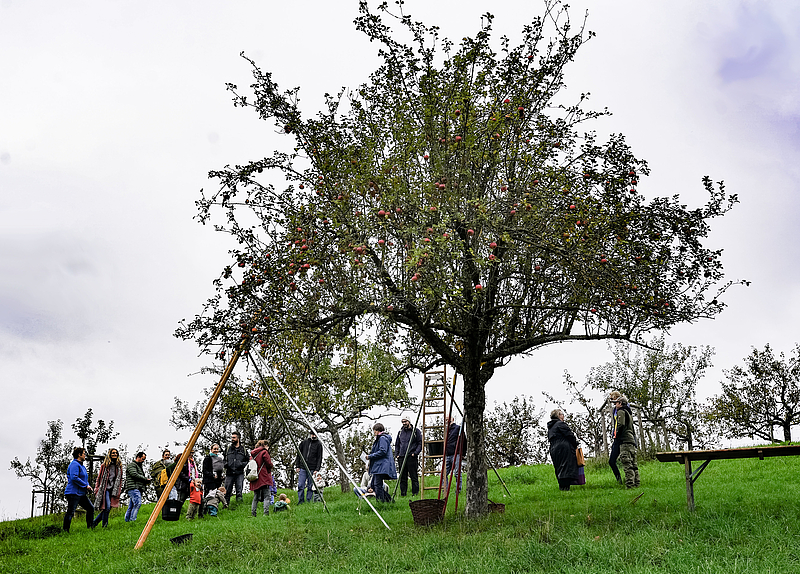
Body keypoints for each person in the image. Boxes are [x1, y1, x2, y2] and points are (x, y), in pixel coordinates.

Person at [63, 447, 95, 532]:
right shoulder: (74, 464)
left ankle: (90, 528)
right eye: (84, 454)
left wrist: (88, 485)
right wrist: (85, 485)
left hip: (81, 493)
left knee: (90, 508)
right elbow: (74, 477)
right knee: (71, 511)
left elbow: (85, 479)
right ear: (79, 455)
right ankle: (65, 530)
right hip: (73, 492)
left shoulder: (82, 466)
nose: (85, 455)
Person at [547, 409, 579, 491]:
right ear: (558, 416)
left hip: (553, 448)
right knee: (566, 466)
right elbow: (569, 435)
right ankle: (566, 487)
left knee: (558, 466)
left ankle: (562, 487)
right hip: (564, 447)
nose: (563, 416)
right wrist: (575, 444)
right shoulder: (560, 424)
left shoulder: (551, 427)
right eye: (562, 414)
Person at [92, 447, 124, 528]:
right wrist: (96, 488)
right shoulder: (104, 466)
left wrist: (119, 488)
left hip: (113, 489)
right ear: (110, 454)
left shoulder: (119, 466)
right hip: (105, 489)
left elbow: (120, 479)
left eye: (116, 453)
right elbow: (99, 477)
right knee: (107, 507)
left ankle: (94, 523)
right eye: (113, 453)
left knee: (107, 508)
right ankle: (104, 526)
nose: (115, 454)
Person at [366, 422, 397, 502]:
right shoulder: (382, 438)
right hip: (380, 465)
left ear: (377, 431)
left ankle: (380, 502)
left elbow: (382, 451)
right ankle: (389, 501)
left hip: (381, 465)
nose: (374, 433)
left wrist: (370, 456)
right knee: (374, 484)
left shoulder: (382, 438)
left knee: (377, 485)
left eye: (374, 431)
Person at [615, 395, 640, 488]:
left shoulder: (621, 411)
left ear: (620, 403)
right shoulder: (629, 413)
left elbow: (620, 424)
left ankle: (630, 484)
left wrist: (617, 435)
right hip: (631, 440)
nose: (615, 405)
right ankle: (637, 483)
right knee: (634, 464)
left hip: (625, 440)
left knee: (627, 463)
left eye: (616, 403)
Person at [395, 415, 422, 497]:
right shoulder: (400, 432)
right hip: (401, 457)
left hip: (411, 457)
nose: (404, 423)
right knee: (402, 477)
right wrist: (397, 454)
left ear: (409, 421)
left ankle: (415, 493)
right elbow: (397, 444)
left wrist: (415, 453)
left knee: (413, 476)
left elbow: (420, 443)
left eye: (405, 421)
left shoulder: (415, 431)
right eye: (402, 422)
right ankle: (403, 494)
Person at [294, 431, 323, 504]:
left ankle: (308, 501)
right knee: (300, 485)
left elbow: (319, 457)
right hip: (303, 467)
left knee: (310, 486)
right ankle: (300, 501)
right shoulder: (304, 443)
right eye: (312, 434)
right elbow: (298, 455)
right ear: (310, 434)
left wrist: (317, 469)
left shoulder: (319, 444)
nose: (314, 436)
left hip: (312, 468)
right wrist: (297, 465)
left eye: (315, 434)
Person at [249, 439, 274, 517]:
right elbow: (268, 463)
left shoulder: (253, 454)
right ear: (265, 445)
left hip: (255, 476)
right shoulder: (264, 452)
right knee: (267, 495)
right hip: (263, 476)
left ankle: (253, 513)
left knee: (256, 496)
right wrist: (271, 465)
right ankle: (266, 513)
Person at [223, 431, 250, 505]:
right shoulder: (228, 449)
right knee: (227, 491)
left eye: (234, 438)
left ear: (238, 438)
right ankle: (226, 505)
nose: (232, 439)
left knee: (239, 491)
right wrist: (226, 464)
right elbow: (224, 460)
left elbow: (248, 461)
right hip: (229, 473)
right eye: (232, 437)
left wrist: (241, 464)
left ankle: (239, 506)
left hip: (239, 473)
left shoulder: (243, 450)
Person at [124, 451, 151, 522]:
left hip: (136, 488)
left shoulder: (138, 466)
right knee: (137, 504)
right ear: (138, 457)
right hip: (133, 488)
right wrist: (145, 479)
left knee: (131, 506)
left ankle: (127, 521)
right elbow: (134, 474)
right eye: (142, 459)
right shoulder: (132, 465)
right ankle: (132, 520)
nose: (143, 461)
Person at [444, 416, 466, 492]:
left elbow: (464, 440)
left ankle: (458, 490)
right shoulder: (446, 430)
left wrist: (463, 453)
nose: (447, 420)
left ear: (452, 419)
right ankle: (445, 490)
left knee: (457, 473)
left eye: (448, 419)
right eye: (446, 419)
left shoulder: (458, 428)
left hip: (456, 453)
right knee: (444, 473)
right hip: (448, 454)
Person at [608, 391, 623, 484]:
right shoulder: (614, 410)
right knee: (611, 461)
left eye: (612, 399)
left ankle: (631, 480)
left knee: (627, 460)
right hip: (616, 437)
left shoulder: (624, 408)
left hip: (623, 438)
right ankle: (619, 480)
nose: (612, 402)